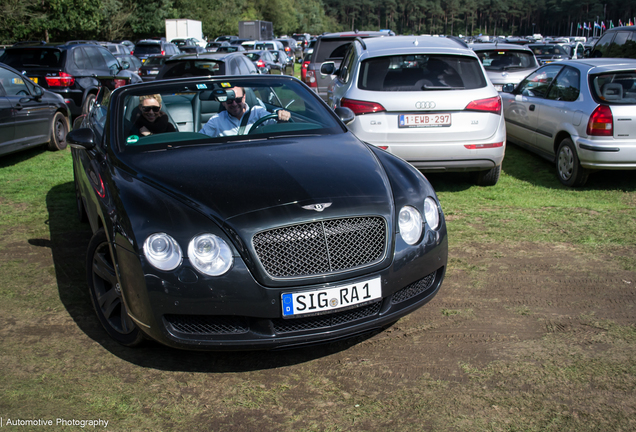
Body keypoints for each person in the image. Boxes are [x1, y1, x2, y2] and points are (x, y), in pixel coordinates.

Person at [198, 86, 290, 137]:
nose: (234, 104)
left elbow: (276, 125)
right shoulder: (216, 121)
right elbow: (200, 140)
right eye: (229, 101)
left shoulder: (258, 112)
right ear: (223, 102)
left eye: (238, 100)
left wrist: (282, 117)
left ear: (244, 97)